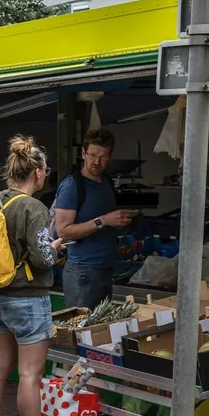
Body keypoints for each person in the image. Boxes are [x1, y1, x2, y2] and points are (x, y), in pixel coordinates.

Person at [0, 135, 70, 416]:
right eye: (45, 171)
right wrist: (55, 249)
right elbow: (42, 258)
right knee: (30, 376)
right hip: (29, 299)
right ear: (37, 173)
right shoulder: (34, 208)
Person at [53, 128, 133, 309]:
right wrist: (102, 221)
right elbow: (63, 231)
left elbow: (106, 221)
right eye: (93, 155)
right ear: (83, 153)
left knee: (102, 326)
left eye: (103, 157)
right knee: (83, 326)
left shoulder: (106, 183)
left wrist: (119, 222)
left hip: (105, 269)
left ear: (110, 157)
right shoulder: (72, 186)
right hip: (83, 273)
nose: (97, 162)